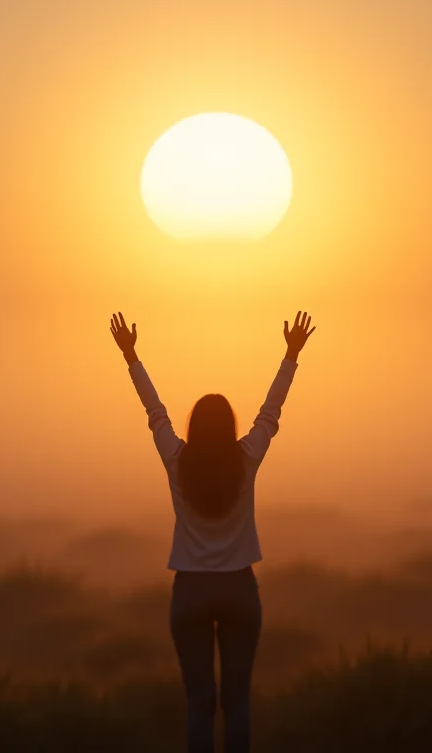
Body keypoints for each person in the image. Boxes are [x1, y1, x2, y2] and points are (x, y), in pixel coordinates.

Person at [110, 310, 316, 753]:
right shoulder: (245, 459)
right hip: (240, 588)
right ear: (230, 427)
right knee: (236, 704)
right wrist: (291, 354)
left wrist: (131, 356)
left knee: (199, 704)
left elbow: (155, 412)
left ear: (193, 428)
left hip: (190, 591)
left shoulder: (176, 459)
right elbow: (270, 412)